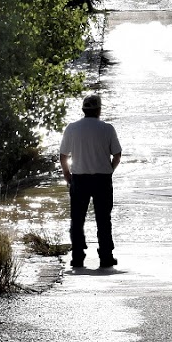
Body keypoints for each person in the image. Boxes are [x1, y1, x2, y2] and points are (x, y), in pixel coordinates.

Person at [58, 94, 122, 270]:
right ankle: (106, 257)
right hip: (102, 179)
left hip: (79, 178)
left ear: (83, 109)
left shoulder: (72, 128)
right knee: (103, 219)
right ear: (99, 110)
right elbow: (117, 154)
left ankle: (77, 257)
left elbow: (63, 155)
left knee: (77, 220)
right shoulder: (107, 129)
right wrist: (110, 169)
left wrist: (66, 174)